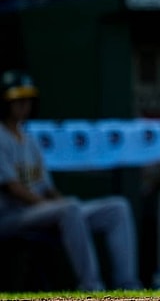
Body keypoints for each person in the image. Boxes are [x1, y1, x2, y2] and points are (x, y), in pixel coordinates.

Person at [0, 69, 143, 291]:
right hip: (11, 216)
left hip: (42, 211)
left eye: (27, 100)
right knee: (70, 208)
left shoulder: (29, 139)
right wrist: (58, 207)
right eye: (17, 100)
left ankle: (128, 285)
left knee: (117, 207)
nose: (23, 105)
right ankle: (91, 285)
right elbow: (12, 188)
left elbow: (47, 188)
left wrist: (61, 204)